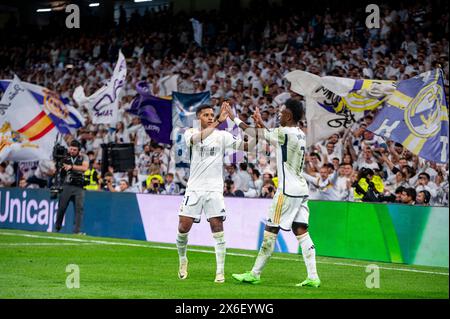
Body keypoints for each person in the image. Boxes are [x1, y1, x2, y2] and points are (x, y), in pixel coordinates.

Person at [231, 99, 320, 288]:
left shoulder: (285, 133)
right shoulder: (300, 134)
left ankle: (254, 274)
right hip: (301, 190)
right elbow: (270, 135)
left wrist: (234, 119)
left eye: (281, 113)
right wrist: (262, 124)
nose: (279, 115)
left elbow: (253, 133)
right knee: (301, 232)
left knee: (270, 231)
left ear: (288, 116)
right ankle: (313, 277)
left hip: (286, 191)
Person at [176, 102, 252, 284]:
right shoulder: (191, 133)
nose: (210, 117)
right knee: (182, 228)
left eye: (212, 115)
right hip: (194, 188)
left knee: (218, 229)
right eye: (206, 115)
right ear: (198, 118)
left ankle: (220, 272)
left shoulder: (222, 136)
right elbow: (197, 139)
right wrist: (218, 121)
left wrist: (237, 121)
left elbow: (248, 147)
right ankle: (183, 259)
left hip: (214, 190)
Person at [54, 140, 89, 234]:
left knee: (79, 208)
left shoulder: (84, 157)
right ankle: (57, 228)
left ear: (79, 150)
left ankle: (77, 231)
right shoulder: (65, 156)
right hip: (67, 184)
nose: (72, 151)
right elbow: (57, 168)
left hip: (79, 186)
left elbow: (85, 168)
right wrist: (60, 166)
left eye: (75, 150)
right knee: (62, 207)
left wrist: (71, 167)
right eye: (71, 149)